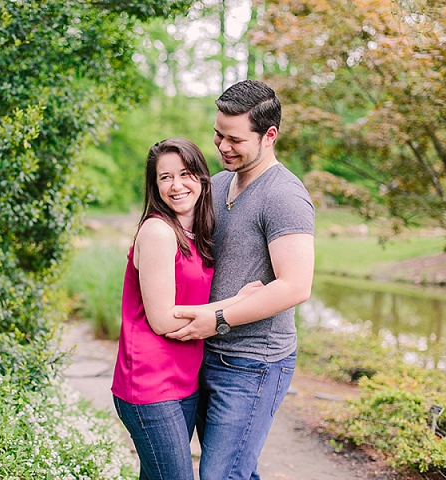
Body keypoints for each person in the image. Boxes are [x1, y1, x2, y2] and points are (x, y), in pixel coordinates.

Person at [166, 80, 316, 480]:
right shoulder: (215, 184)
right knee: (234, 470)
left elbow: (296, 285)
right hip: (203, 353)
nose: (222, 146)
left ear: (269, 136)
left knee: (221, 474)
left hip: (253, 362)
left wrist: (218, 318)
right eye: (218, 134)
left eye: (235, 139)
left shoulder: (285, 196)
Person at [111, 138, 258, 480]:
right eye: (165, 177)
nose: (176, 185)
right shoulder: (158, 232)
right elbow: (163, 320)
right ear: (155, 185)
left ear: (202, 178)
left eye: (186, 174)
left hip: (185, 381)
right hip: (149, 384)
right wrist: (237, 303)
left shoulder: (195, 233)